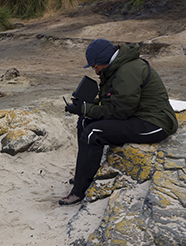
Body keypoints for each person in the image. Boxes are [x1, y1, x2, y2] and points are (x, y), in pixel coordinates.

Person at [61, 38, 178, 205]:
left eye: (95, 67)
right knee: (84, 122)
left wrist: (86, 108)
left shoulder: (127, 71)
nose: (95, 72)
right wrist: (85, 106)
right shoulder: (117, 67)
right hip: (138, 115)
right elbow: (112, 102)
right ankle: (83, 176)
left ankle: (79, 191)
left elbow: (120, 111)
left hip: (155, 123)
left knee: (94, 133)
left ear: (104, 60)